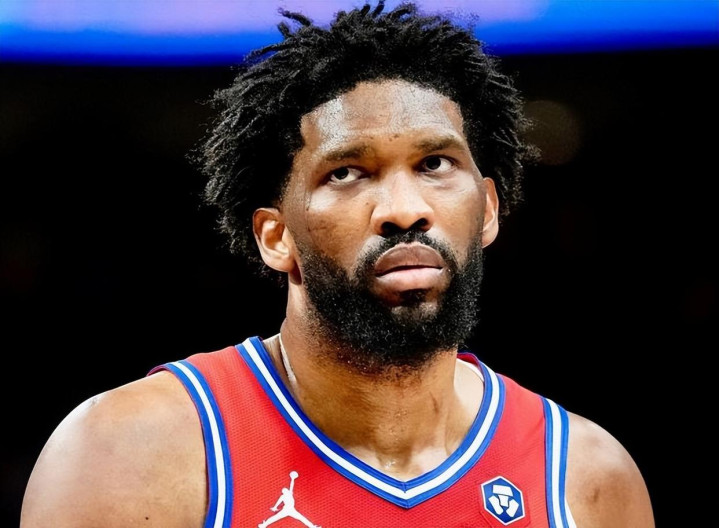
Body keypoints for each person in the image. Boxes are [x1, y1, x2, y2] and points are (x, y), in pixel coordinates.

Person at [20, 2, 655, 527]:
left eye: (435, 164)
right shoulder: (128, 454)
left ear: (487, 209)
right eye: (347, 173)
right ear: (276, 237)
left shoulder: (585, 479)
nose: (404, 210)